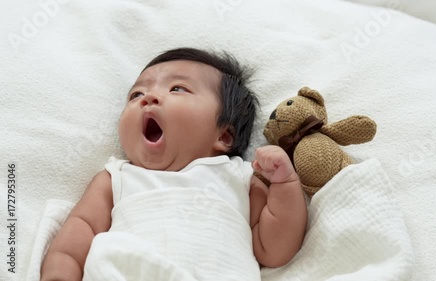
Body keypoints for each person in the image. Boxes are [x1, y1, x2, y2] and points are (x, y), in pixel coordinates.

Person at [40, 47, 308, 280]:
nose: (149, 98)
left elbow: (273, 249)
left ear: (224, 134)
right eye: (136, 95)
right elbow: (81, 229)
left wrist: (285, 184)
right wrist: (61, 270)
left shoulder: (237, 176)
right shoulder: (117, 178)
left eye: (177, 88)